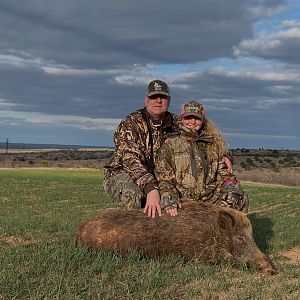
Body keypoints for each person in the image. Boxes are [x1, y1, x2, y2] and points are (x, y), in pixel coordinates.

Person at [103, 80, 233, 218]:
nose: (158, 100)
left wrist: (225, 155)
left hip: (158, 174)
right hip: (123, 173)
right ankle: (134, 234)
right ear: (146, 100)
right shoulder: (131, 123)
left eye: (163, 97)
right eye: (154, 97)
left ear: (169, 100)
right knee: (135, 194)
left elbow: (206, 137)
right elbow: (130, 159)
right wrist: (151, 189)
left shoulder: (177, 122)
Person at [155, 100, 249, 217]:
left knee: (239, 195)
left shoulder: (213, 143)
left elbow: (223, 173)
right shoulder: (170, 143)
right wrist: (169, 196)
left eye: (197, 118)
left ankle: (234, 234)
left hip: (210, 198)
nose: (192, 122)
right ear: (182, 119)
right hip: (183, 199)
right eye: (188, 117)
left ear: (203, 120)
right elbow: (164, 177)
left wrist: (230, 184)